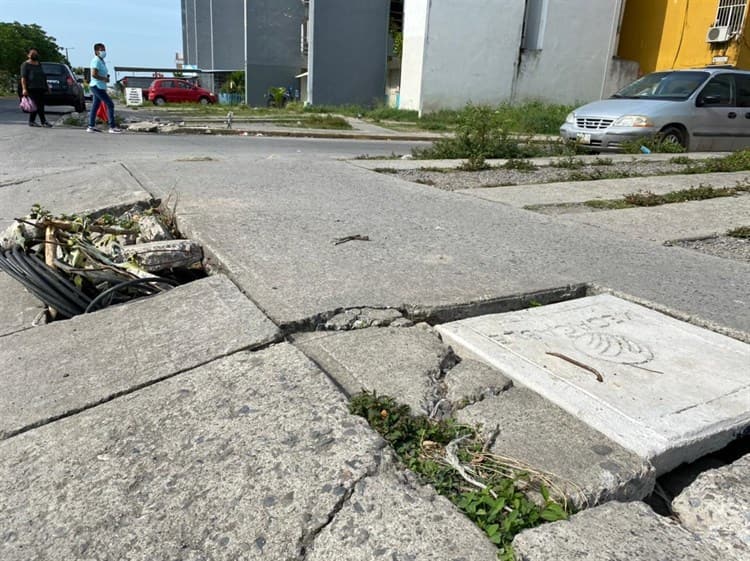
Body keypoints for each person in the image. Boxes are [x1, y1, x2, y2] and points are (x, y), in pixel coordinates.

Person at [87, 43, 122, 134]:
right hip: (97, 86)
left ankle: (91, 126)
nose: (104, 52)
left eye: (104, 49)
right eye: (101, 50)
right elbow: (94, 74)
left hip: (100, 86)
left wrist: (105, 77)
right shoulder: (96, 61)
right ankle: (112, 127)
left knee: (95, 106)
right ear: (96, 51)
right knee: (110, 104)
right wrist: (104, 79)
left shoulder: (101, 61)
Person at [20, 48, 52, 128]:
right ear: (28, 55)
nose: (34, 55)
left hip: (41, 87)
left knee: (40, 105)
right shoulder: (25, 64)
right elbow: (23, 78)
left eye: (35, 53)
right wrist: (24, 89)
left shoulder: (38, 64)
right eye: (32, 53)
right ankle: (38, 121)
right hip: (31, 88)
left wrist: (47, 86)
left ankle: (38, 121)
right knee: (35, 105)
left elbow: (43, 76)